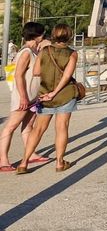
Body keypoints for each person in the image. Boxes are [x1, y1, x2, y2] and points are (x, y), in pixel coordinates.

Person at [17, 23, 79, 174]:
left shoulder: (45, 50)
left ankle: (24, 163)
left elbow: (37, 72)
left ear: (53, 34)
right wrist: (56, 91)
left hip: (45, 95)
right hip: (65, 95)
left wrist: (50, 91)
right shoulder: (72, 53)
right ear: (69, 35)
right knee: (62, 128)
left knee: (38, 129)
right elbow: (67, 76)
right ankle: (59, 162)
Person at [0, 22, 47, 172]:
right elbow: (18, 75)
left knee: (28, 126)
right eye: (42, 34)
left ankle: (31, 153)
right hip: (24, 96)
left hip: (32, 97)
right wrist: (23, 97)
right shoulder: (26, 52)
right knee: (11, 126)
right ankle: (3, 160)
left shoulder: (33, 51)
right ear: (37, 36)